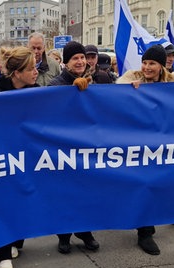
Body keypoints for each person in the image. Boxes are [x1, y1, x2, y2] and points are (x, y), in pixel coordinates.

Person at [117, 44, 174, 255]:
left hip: (163, 142)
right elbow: (115, 94)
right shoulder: (132, 77)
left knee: (160, 184)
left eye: (152, 63)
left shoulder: (172, 81)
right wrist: (129, 91)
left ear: (161, 65)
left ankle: (156, 220)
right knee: (143, 184)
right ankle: (144, 232)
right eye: (145, 62)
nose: (147, 67)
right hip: (138, 142)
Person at [0, 46, 39, 268]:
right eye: (31, 68)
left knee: (21, 196)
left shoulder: (36, 90)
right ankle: (2, 253)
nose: (36, 72)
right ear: (16, 73)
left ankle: (16, 239)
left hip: (25, 154)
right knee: (1, 200)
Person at [49, 41, 100, 254]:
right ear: (67, 62)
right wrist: (70, 93)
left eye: (82, 57)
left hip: (87, 144)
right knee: (66, 192)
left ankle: (85, 230)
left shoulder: (96, 81)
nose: (80, 61)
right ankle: (64, 234)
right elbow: (52, 113)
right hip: (64, 146)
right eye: (75, 58)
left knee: (87, 191)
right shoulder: (56, 84)